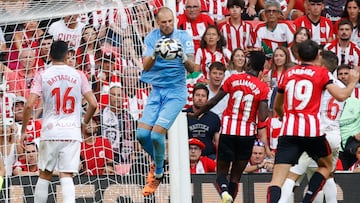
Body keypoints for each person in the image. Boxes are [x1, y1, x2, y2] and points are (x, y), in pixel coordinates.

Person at [266, 39, 359, 203]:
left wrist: (284, 117)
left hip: (290, 130)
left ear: (297, 56)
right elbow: (342, 95)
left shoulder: (288, 73)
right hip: (318, 132)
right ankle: (308, 199)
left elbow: (277, 106)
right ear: (317, 55)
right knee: (326, 170)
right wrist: (352, 82)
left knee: (282, 178)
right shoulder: (323, 75)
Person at [20, 40, 97, 203]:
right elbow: (93, 104)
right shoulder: (79, 75)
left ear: (49, 55)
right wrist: (84, 122)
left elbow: (28, 105)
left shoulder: (43, 74)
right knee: (67, 175)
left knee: (45, 175)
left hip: (50, 131)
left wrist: (24, 130)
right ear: (67, 55)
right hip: (71, 132)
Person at [191, 50, 270, 203]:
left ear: (247, 65)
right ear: (261, 70)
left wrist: (196, 115)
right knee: (235, 176)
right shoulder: (262, 88)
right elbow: (262, 116)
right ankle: (229, 197)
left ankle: (225, 193)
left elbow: (213, 101)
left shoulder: (233, 79)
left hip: (228, 131)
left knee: (221, 173)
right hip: (247, 135)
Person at [136, 7, 195, 196]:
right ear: (157, 23)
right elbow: (145, 66)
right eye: (164, 22)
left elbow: (193, 68)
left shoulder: (183, 37)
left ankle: (159, 173)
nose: (168, 25)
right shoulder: (151, 38)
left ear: (174, 20)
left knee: (155, 136)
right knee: (142, 135)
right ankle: (160, 162)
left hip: (176, 93)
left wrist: (183, 56)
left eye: (170, 21)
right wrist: (155, 52)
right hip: (156, 92)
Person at [278, 50, 344, 203]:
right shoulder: (339, 86)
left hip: (316, 134)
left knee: (292, 174)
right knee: (327, 174)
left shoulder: (317, 82)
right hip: (334, 134)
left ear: (322, 65)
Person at [187, 84, 220, 160]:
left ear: (207, 99)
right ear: (192, 97)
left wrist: (219, 159)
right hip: (187, 157)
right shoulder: (184, 116)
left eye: (203, 96)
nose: (200, 98)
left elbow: (217, 141)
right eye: (197, 95)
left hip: (209, 157)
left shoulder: (214, 118)